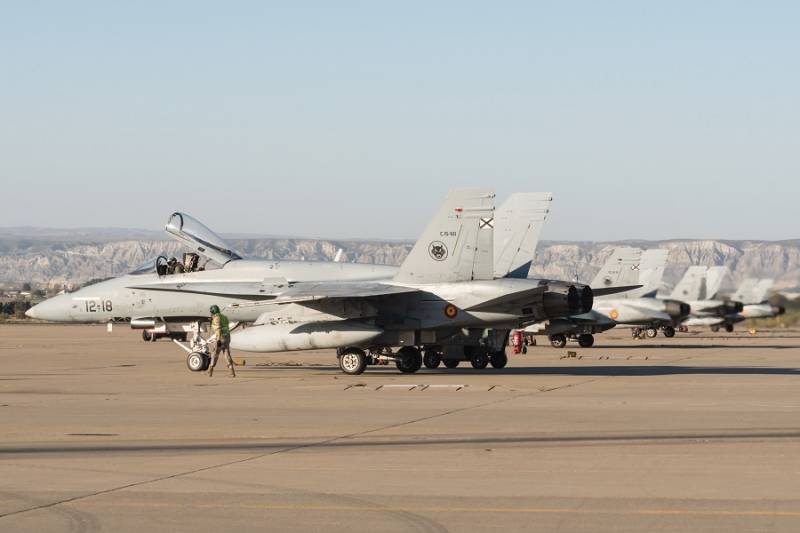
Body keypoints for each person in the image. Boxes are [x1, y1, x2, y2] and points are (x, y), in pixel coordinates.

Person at [208, 304, 234, 377]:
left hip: (220, 337)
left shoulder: (216, 318)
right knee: (227, 353)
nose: (210, 313)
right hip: (227, 337)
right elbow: (225, 326)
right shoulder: (224, 317)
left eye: (211, 312)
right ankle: (232, 372)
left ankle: (210, 370)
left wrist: (218, 340)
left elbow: (218, 329)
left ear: (213, 311)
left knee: (215, 354)